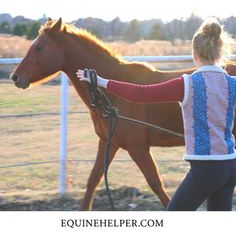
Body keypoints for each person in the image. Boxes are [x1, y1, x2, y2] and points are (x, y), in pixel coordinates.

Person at [76, 18, 236, 211]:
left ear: (194, 55)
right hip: (229, 167)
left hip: (205, 169)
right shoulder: (232, 82)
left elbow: (139, 93)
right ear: (220, 54)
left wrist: (101, 81)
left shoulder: (187, 84)